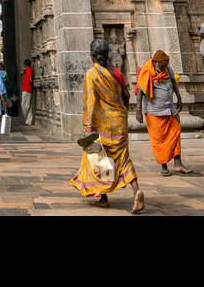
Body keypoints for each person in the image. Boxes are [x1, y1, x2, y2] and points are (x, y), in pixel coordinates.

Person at [70, 37, 144, 213]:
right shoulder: (116, 72)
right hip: (119, 122)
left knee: (101, 160)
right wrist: (122, 112)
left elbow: (90, 102)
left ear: (92, 56)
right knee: (123, 159)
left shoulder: (92, 75)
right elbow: (126, 95)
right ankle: (136, 190)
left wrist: (87, 129)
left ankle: (103, 197)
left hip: (101, 125)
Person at [136, 50, 197, 176]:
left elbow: (174, 83)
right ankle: (163, 166)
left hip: (169, 108)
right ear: (155, 62)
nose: (164, 68)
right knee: (159, 140)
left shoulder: (167, 68)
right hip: (154, 111)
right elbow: (141, 91)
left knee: (175, 132)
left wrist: (179, 98)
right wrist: (138, 111)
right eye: (161, 66)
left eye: (165, 65)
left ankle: (178, 164)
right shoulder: (147, 71)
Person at [20, 58, 35, 126]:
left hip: (26, 89)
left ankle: (26, 119)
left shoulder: (28, 69)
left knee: (24, 105)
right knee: (28, 106)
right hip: (28, 89)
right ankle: (28, 121)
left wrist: (30, 81)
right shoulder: (28, 69)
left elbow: (30, 78)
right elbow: (22, 73)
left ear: (25, 64)